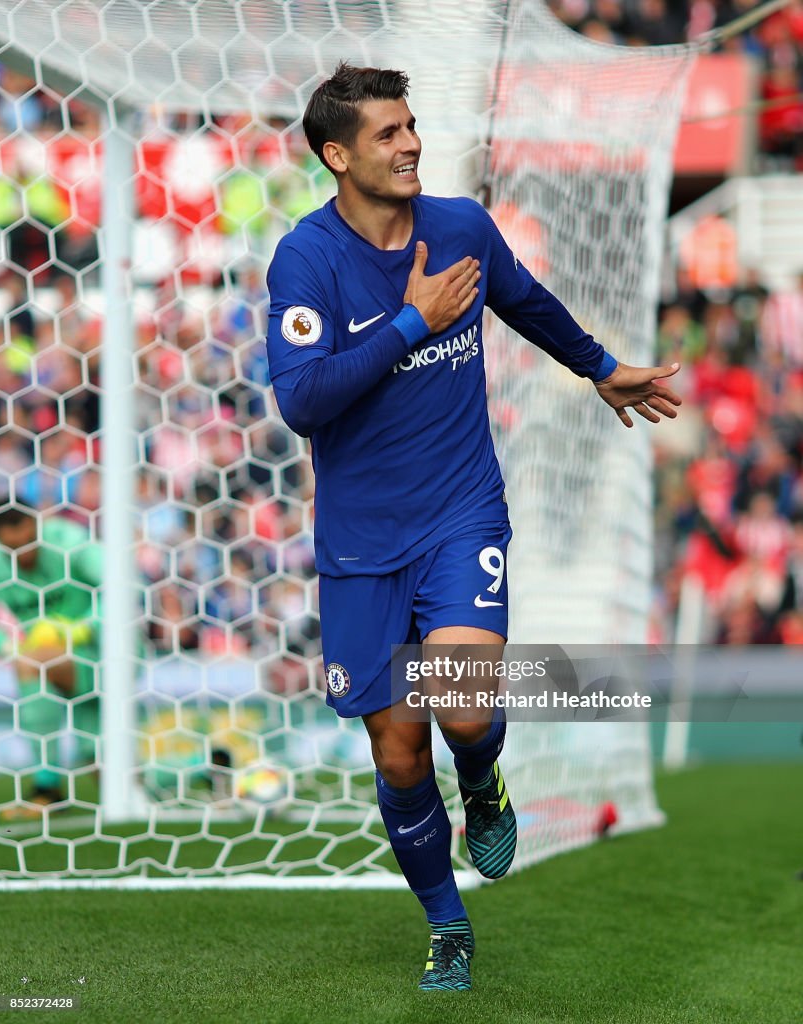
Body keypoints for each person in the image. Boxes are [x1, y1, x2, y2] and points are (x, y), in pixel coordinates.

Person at [265, 63, 681, 991]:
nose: (410, 142)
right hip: (361, 546)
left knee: (460, 705)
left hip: (462, 512)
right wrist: (414, 320)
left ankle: (485, 779)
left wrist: (601, 367)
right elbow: (302, 402)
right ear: (337, 156)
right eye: (386, 133)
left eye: (411, 125)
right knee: (397, 749)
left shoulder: (460, 226)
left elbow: (525, 302)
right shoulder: (307, 260)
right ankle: (446, 924)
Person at [0, 505, 101, 816]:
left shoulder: (72, 542)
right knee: (101, 762)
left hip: (102, 652)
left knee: (30, 663)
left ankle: (47, 788)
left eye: (27, 545)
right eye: (11, 549)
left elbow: (122, 586)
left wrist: (81, 628)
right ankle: (207, 766)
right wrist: (6, 645)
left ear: (38, 528)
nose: (21, 556)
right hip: (55, 662)